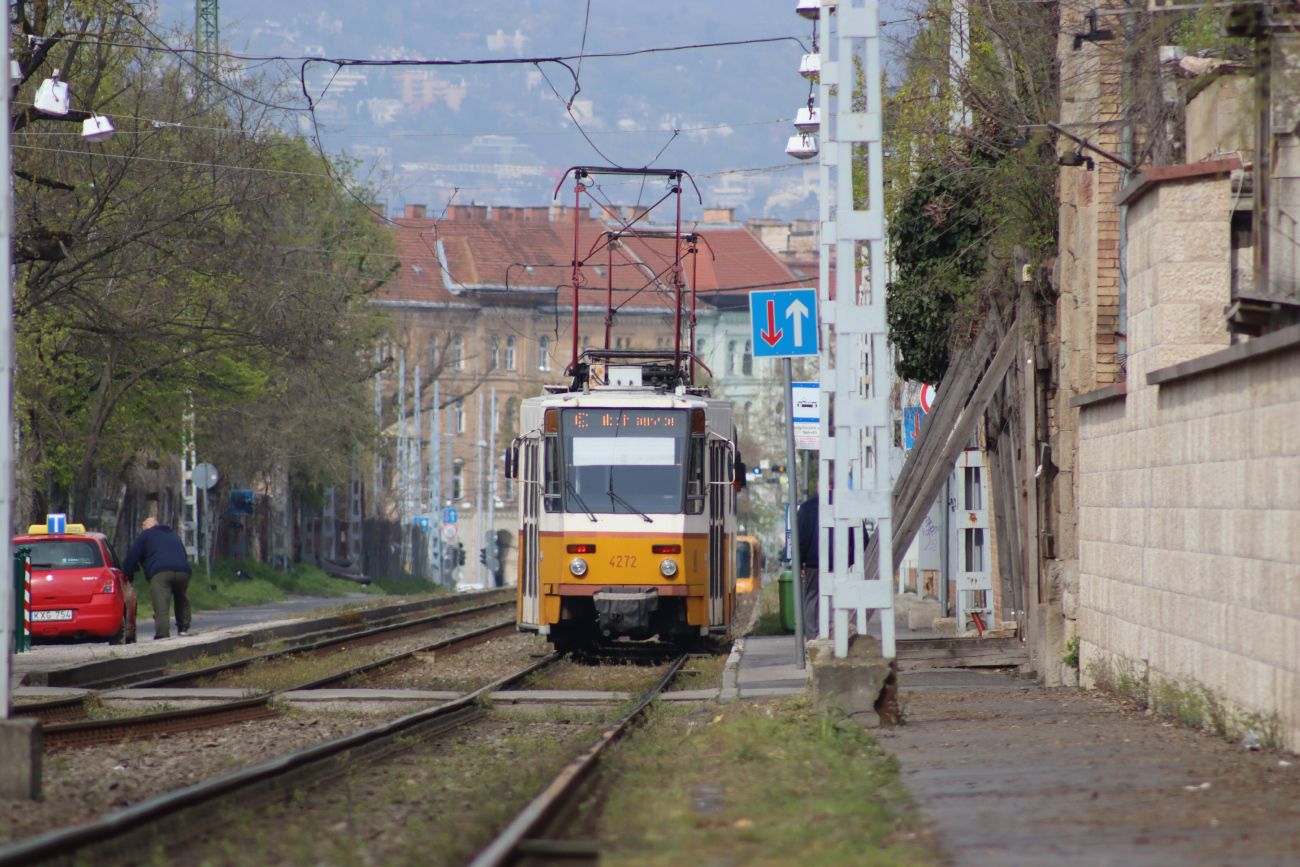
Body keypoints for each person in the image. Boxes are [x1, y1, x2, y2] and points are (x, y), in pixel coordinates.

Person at [122, 516, 193, 639]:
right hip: (183, 570)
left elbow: (132, 556)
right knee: (182, 598)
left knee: (161, 604)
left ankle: (162, 634)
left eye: (144, 528)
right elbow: (183, 553)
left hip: (161, 571)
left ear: (148, 527)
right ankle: (184, 629)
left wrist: (129, 574)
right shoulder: (173, 533)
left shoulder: (146, 534)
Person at [796, 487, 820, 637]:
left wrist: (800, 563)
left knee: (812, 598)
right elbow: (861, 539)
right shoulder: (848, 504)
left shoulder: (808, 507)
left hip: (814, 563)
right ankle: (836, 636)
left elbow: (800, 539)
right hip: (840, 565)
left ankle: (812, 638)